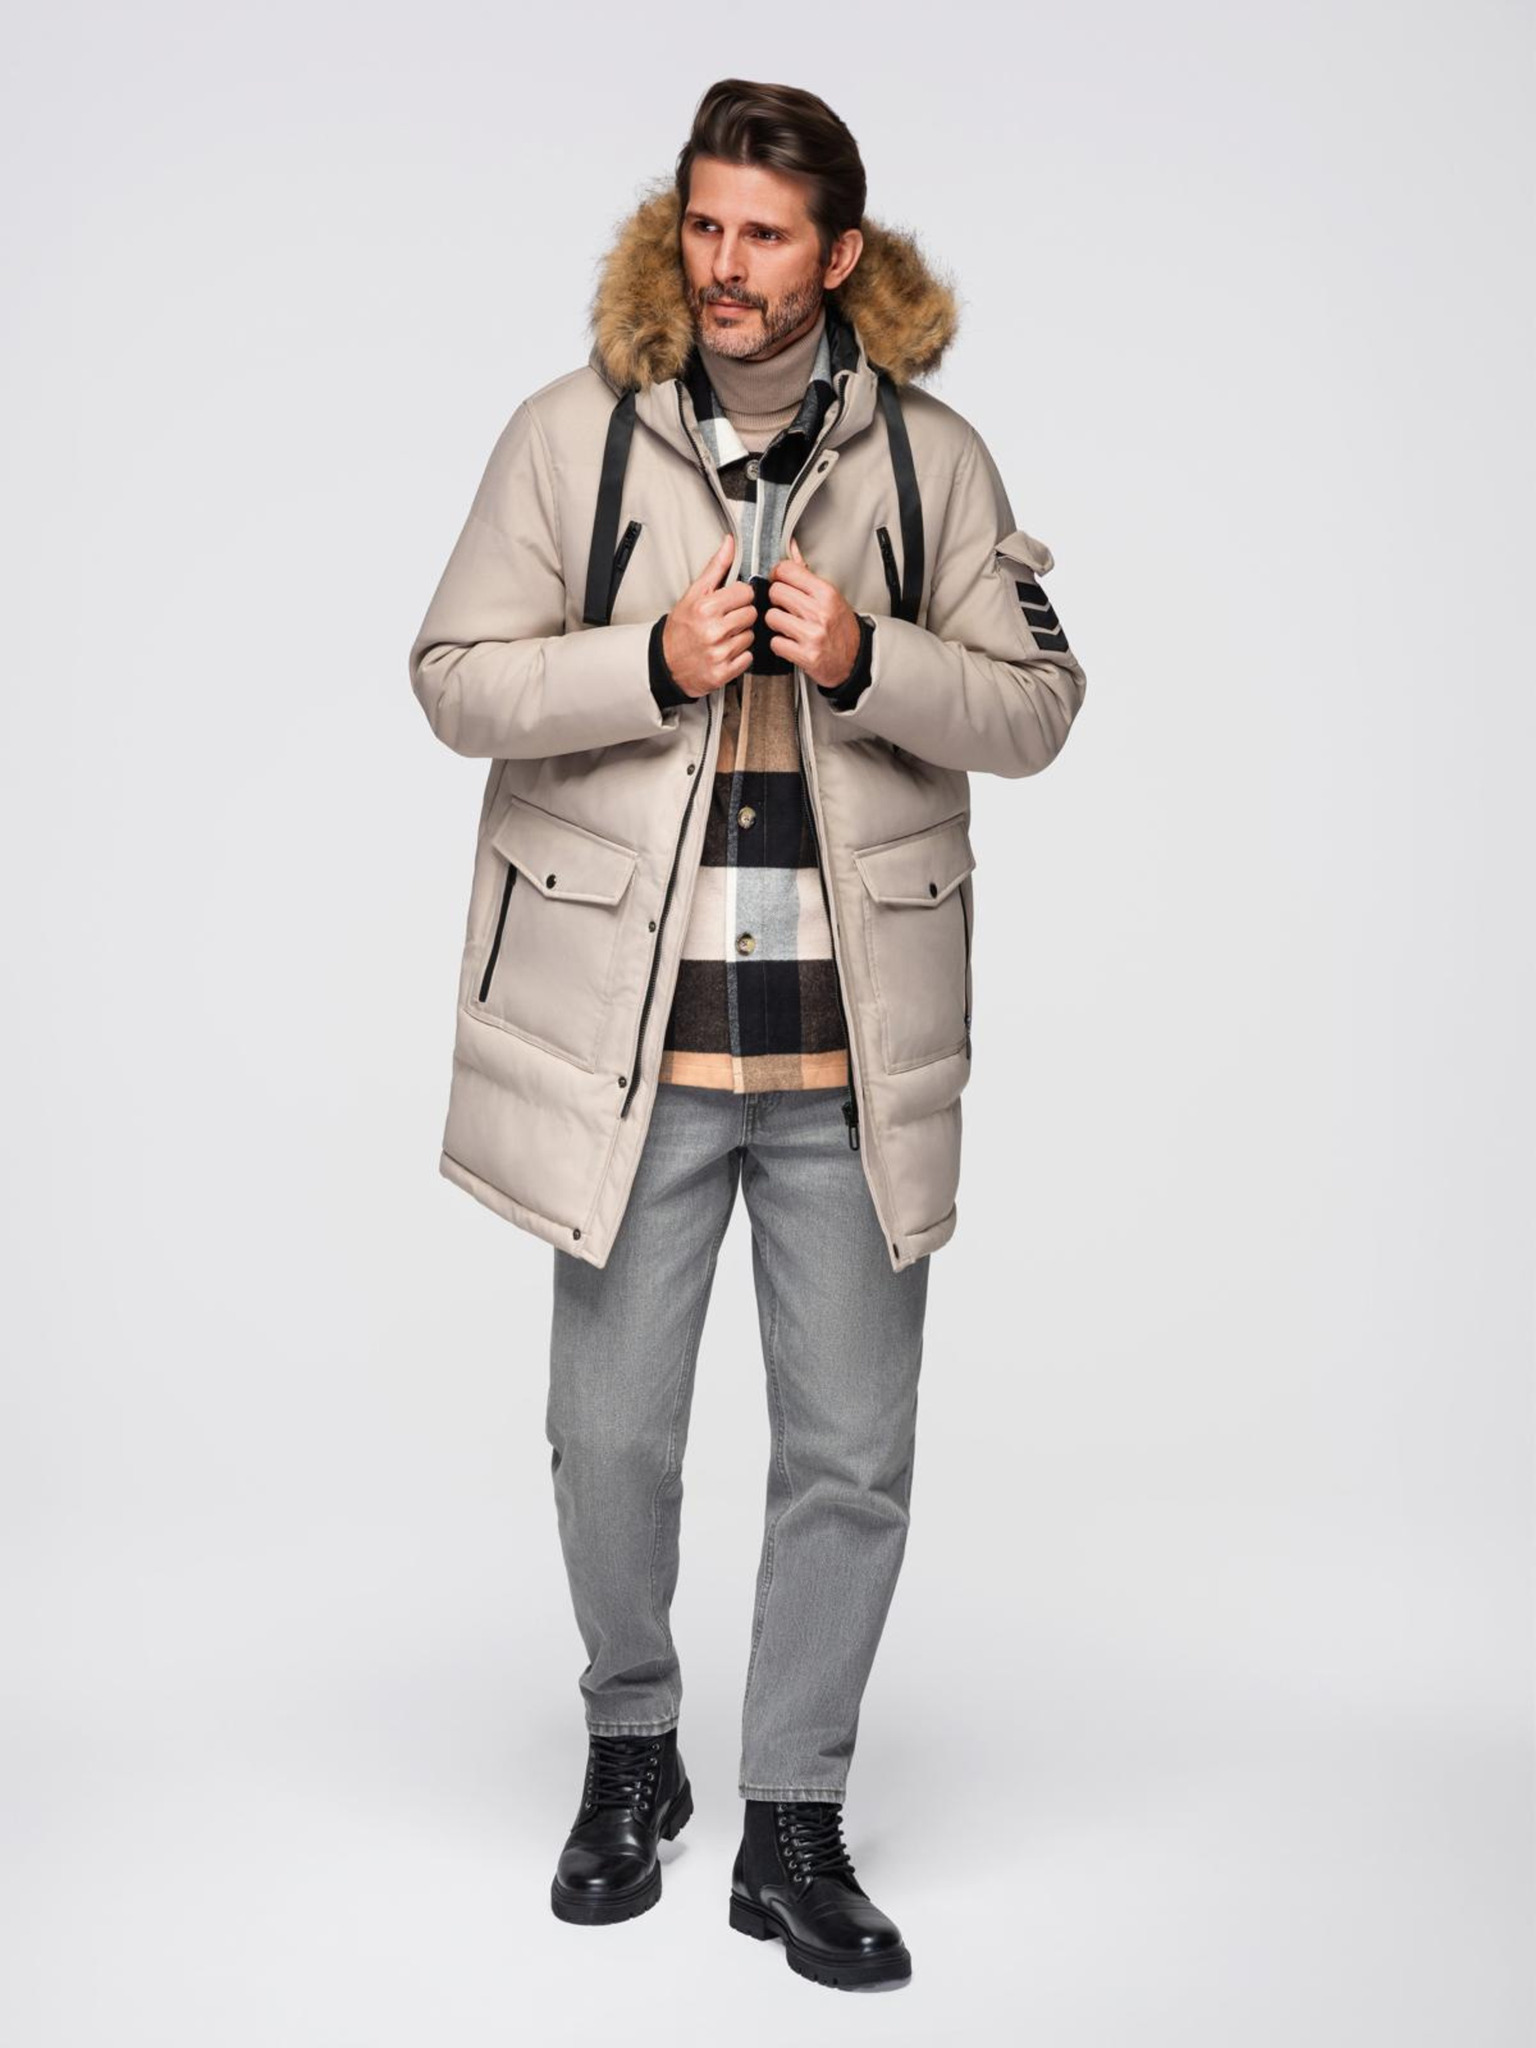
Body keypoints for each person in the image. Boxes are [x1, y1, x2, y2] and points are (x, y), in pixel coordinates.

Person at [407, 77, 1087, 1992]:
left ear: (838, 255)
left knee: (851, 1455)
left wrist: (868, 659)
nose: (724, 264)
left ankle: (793, 1813)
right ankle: (633, 1748)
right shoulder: (572, 439)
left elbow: (1041, 707)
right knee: (608, 1438)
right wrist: (649, 663)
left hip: (849, 1060)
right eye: (703, 224)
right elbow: (451, 678)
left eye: (764, 235)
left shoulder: (933, 462)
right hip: (631, 1056)